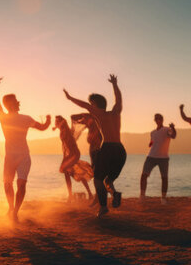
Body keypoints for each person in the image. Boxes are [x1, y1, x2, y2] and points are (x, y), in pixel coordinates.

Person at [64, 74, 125, 218]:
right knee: (108, 180)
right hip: (121, 150)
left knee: (98, 180)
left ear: (95, 105)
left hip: (108, 148)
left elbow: (84, 105)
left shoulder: (100, 114)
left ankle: (103, 207)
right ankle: (114, 193)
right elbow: (119, 99)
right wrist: (115, 84)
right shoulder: (116, 112)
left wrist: (70, 98)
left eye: (92, 104)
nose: (90, 106)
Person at [0, 78, 51, 221]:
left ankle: (15, 212)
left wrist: (48, 122)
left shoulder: (26, 118)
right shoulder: (3, 117)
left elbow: (42, 128)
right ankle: (11, 208)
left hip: (24, 156)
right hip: (10, 156)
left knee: (21, 183)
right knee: (7, 184)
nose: (18, 102)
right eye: (15, 100)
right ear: (9, 104)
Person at [54, 115, 94, 203]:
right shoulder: (62, 130)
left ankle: (70, 195)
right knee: (76, 173)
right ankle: (89, 194)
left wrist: (60, 123)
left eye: (57, 121)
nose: (56, 123)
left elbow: (63, 123)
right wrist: (56, 127)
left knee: (64, 170)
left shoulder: (66, 131)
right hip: (70, 155)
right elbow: (65, 145)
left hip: (74, 154)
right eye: (55, 121)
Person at [139, 114, 177, 204]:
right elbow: (152, 141)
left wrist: (173, 128)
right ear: (155, 120)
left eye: (159, 118)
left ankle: (163, 198)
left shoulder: (167, 129)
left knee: (164, 177)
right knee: (144, 175)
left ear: (162, 119)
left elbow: (173, 136)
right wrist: (151, 144)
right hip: (151, 156)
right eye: (156, 118)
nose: (158, 120)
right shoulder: (152, 132)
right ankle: (142, 196)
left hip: (163, 158)